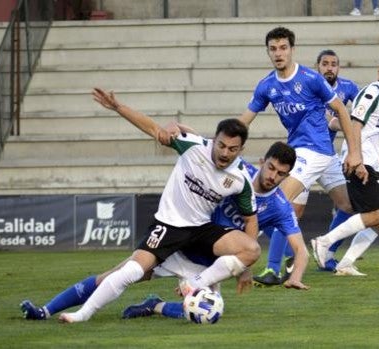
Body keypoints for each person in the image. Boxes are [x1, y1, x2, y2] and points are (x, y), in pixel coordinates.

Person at [20, 88, 260, 322]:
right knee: (126, 273)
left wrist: (244, 268)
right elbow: (153, 128)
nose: (225, 153)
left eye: (232, 149)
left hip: (200, 232)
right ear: (213, 140)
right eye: (221, 145)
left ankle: (184, 289)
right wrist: (117, 107)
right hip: (169, 227)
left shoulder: (240, 178)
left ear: (241, 150)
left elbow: (250, 220)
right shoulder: (194, 146)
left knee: (247, 255)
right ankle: (58, 312)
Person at [121, 141, 311, 320]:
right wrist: (178, 130)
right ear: (263, 161)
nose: (273, 176)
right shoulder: (238, 172)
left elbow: (301, 250)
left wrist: (295, 277)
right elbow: (205, 145)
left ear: (287, 176)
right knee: (126, 274)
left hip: (211, 261)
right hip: (183, 239)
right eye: (271, 168)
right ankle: (91, 297)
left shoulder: (280, 207)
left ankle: (154, 305)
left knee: (208, 310)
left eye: (280, 173)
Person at [256, 49, 360, 281]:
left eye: (334, 64)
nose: (329, 68)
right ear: (318, 66)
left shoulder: (348, 88)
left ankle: (326, 250)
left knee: (350, 205)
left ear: (339, 68)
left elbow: (361, 110)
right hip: (305, 154)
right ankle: (274, 265)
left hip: (328, 156)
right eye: (325, 64)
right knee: (290, 209)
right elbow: (329, 120)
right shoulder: (310, 84)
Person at [312, 55, 379, 276]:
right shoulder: (372, 92)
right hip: (360, 162)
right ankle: (324, 242)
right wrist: (356, 158)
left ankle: (345, 263)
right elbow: (356, 123)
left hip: (368, 161)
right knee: (377, 215)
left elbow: (354, 126)